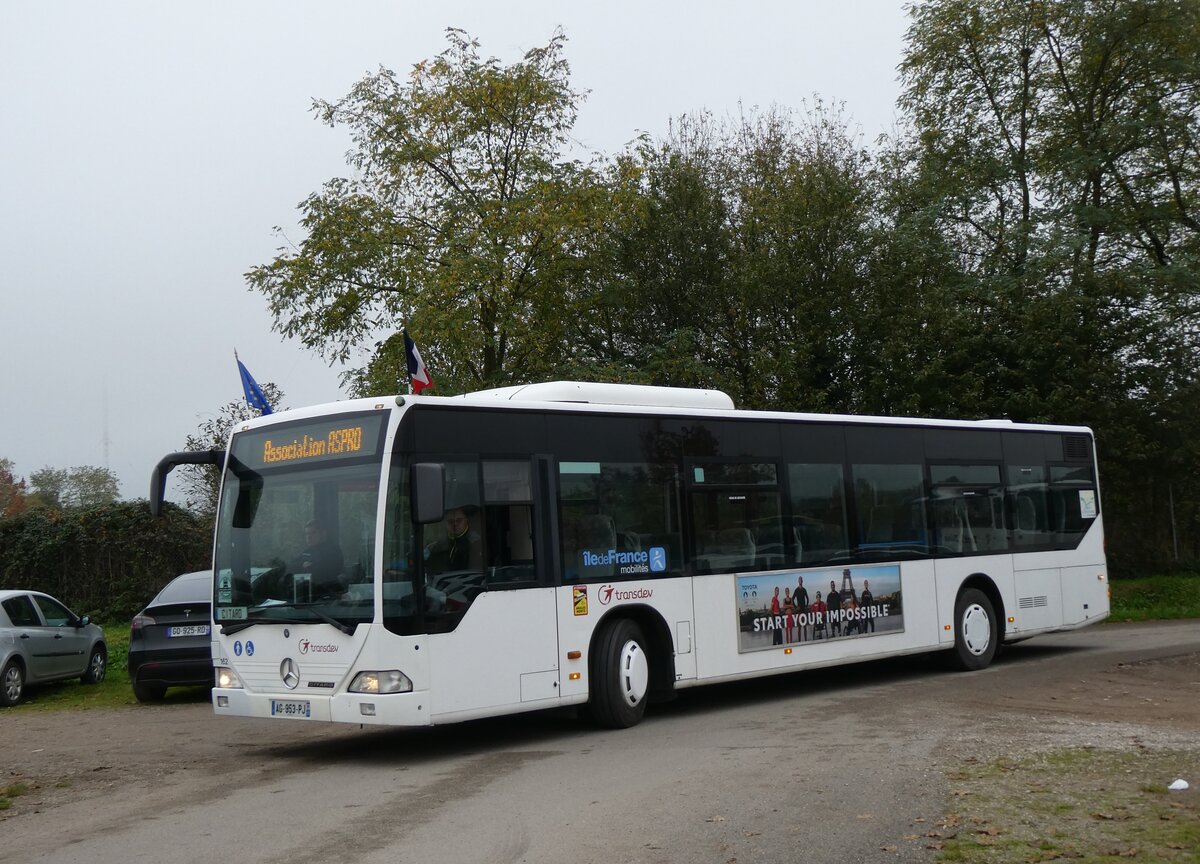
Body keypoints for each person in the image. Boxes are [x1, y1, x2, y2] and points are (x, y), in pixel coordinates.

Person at [425, 507, 482, 575]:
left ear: (466, 520)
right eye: (450, 521)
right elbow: (431, 569)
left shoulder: (477, 544)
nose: (455, 524)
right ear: (445, 524)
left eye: (459, 520)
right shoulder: (438, 546)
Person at [297, 519, 344, 599]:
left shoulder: (333, 551)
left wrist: (308, 568)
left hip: (328, 595)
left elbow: (326, 573)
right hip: (306, 594)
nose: (309, 537)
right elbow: (291, 567)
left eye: (313, 533)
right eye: (307, 534)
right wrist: (301, 565)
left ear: (323, 533)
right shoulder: (307, 551)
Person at [794, 575, 810, 642]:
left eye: (801, 579)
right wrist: (796, 607)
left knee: (805, 626)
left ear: (802, 581)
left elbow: (807, 598)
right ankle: (799, 641)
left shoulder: (804, 590)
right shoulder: (796, 590)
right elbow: (792, 599)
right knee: (799, 627)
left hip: (804, 610)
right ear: (798, 581)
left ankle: (805, 640)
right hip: (799, 611)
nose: (800, 581)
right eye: (799, 580)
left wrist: (806, 606)